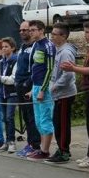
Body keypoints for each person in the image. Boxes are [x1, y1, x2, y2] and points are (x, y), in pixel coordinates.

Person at [45, 23, 77, 164]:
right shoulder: (58, 50)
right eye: (51, 34)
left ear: (63, 36)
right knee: (57, 123)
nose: (51, 37)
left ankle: (64, 151)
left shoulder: (65, 52)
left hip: (65, 94)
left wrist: (54, 87)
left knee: (62, 124)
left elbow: (68, 75)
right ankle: (61, 148)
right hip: (58, 94)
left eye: (54, 35)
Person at [61, 21, 89, 168]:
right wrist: (75, 68)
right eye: (85, 32)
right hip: (87, 90)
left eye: (87, 32)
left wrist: (73, 68)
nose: (85, 35)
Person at [25, 20, 56, 161]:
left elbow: (49, 69)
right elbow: (35, 68)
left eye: (33, 30)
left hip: (45, 87)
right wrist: (33, 89)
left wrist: (43, 90)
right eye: (29, 30)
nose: (30, 32)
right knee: (38, 120)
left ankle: (45, 150)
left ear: (41, 30)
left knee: (45, 119)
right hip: (36, 86)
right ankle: (41, 148)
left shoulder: (48, 46)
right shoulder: (35, 45)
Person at [14, 21, 41, 157]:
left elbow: (37, 68)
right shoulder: (22, 47)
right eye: (21, 30)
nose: (22, 33)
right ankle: (30, 142)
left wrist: (27, 83)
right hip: (19, 85)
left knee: (32, 116)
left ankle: (35, 144)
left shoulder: (36, 47)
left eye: (25, 30)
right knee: (26, 116)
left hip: (29, 86)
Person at [0, 37, 17, 153]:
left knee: (10, 117)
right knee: (5, 118)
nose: (4, 49)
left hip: (12, 93)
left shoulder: (15, 60)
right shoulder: (2, 62)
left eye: (6, 47)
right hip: (3, 93)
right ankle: (6, 141)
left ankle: (11, 142)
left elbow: (13, 79)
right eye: (3, 47)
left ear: (13, 48)